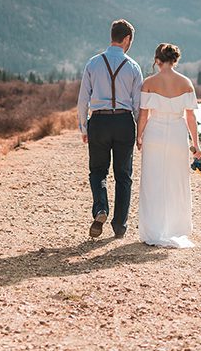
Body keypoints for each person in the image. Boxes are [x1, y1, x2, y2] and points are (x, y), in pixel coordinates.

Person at [76, 19, 144, 239]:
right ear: (126, 39)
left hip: (99, 121)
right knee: (123, 175)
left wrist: (83, 127)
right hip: (124, 122)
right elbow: (137, 104)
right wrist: (139, 132)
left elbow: (82, 99)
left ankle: (101, 209)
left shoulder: (93, 63)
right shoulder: (133, 66)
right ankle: (120, 225)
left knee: (98, 171)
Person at [136, 43, 200, 247]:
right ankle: (175, 228)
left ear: (157, 60)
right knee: (177, 181)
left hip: (154, 132)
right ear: (175, 60)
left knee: (153, 180)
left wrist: (139, 136)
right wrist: (196, 145)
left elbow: (143, 112)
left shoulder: (148, 82)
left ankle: (153, 229)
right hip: (177, 133)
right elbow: (191, 117)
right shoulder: (186, 83)